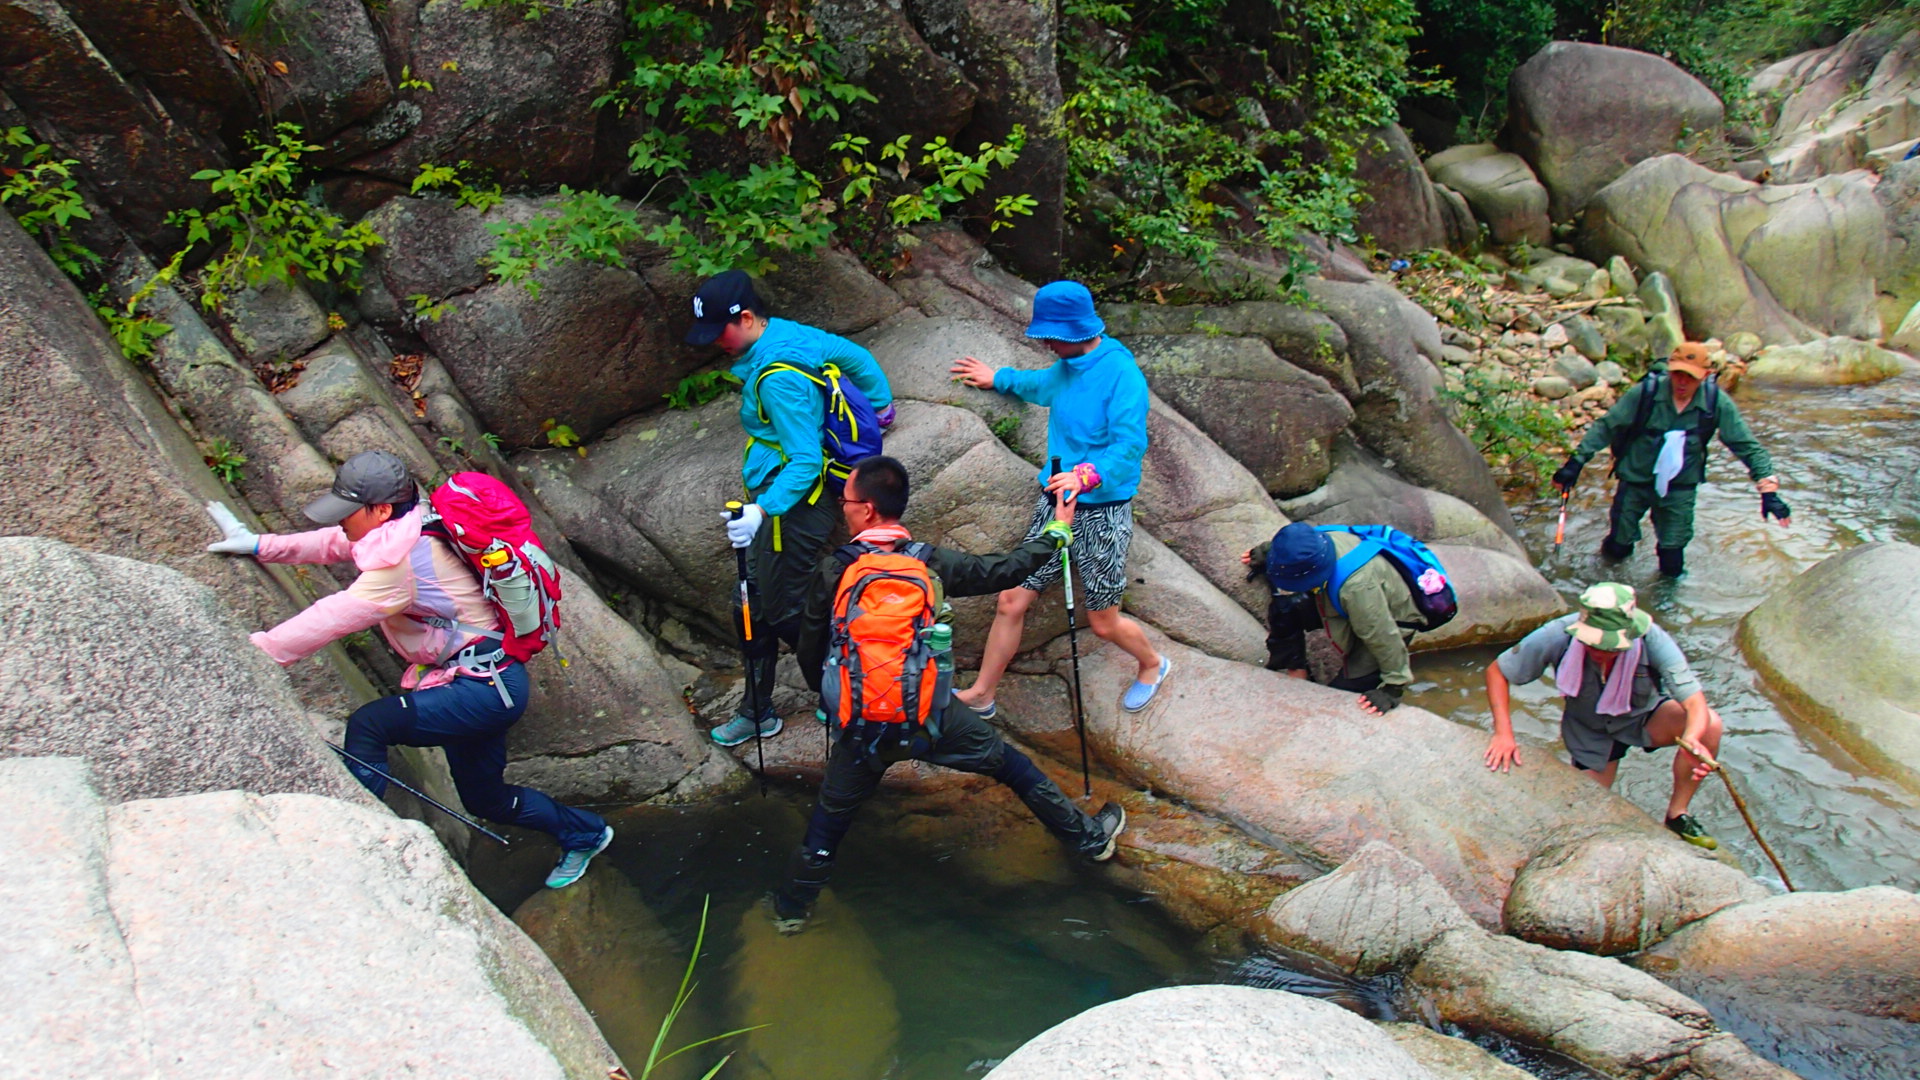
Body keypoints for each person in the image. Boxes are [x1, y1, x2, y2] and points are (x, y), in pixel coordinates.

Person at [204, 451, 612, 888]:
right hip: (491, 682)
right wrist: (259, 545)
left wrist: (253, 653)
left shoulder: (399, 563)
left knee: (369, 726)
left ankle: (365, 845)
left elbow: (332, 616)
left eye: (348, 511)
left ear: (380, 510)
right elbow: (333, 543)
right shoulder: (411, 526)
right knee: (485, 800)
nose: (341, 520)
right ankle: (585, 832)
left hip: (483, 690)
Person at [772, 455, 1127, 931]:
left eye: (848, 500)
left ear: (870, 510)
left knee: (827, 826)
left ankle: (791, 912)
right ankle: (1090, 841)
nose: (844, 507)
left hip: (861, 727)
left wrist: (837, 705)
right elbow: (1005, 570)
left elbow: (811, 648)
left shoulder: (834, 570)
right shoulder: (928, 562)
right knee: (1012, 767)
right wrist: (1060, 529)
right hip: (932, 717)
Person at [688, 269, 896, 747]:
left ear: (744, 318)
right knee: (755, 602)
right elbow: (855, 355)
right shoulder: (788, 334)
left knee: (785, 609)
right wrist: (881, 406)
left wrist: (764, 511)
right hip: (781, 500)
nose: (713, 342)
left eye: (719, 331)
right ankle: (758, 709)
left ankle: (842, 695)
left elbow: (804, 461)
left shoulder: (777, 377)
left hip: (795, 504)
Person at [947, 280, 1168, 716]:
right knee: (1012, 598)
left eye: (1050, 335)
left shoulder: (1122, 375)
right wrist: (998, 379)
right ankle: (982, 694)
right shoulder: (1065, 368)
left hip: (1101, 512)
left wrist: (1084, 476)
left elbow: (1128, 448)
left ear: (1071, 332)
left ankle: (1152, 663)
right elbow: (1039, 386)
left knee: (1103, 623)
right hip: (1054, 505)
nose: (1045, 343)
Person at [1483, 581, 1724, 849]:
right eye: (1591, 644)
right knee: (1583, 818)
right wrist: (1504, 733)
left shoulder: (1652, 638)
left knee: (1710, 725)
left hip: (1643, 717)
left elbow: (1695, 702)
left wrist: (1691, 739)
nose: (1599, 653)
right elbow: (1498, 671)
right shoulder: (1558, 634)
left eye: (1609, 647)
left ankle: (1677, 814)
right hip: (1591, 731)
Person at [1553, 342, 1788, 578]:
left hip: (1680, 486)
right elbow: (1606, 426)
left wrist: (1768, 490)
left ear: (1706, 375)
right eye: (1677, 374)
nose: (1682, 382)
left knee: (1673, 557)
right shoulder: (1645, 393)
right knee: (1619, 546)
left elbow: (1746, 445)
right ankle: (1605, 580)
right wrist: (1576, 463)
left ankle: (1664, 603)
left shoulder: (1716, 403)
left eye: (1690, 377)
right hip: (1635, 479)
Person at [1243, 522, 1419, 715]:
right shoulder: (1317, 539)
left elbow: (1382, 635)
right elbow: (1285, 546)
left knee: (1342, 692)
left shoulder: (1356, 587)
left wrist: (1393, 687)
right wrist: (1263, 553)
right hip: (1341, 596)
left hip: (1390, 617)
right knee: (1285, 608)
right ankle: (1295, 669)